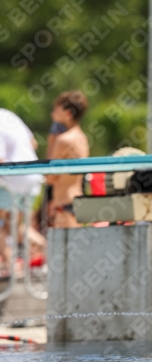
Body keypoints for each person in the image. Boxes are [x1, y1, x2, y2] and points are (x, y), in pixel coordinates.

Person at [0, 108, 44, 275]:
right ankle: (50, 252)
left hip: (14, 180)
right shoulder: (7, 115)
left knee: (6, 227)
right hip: (32, 178)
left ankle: (13, 269)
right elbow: (34, 143)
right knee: (14, 226)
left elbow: (1, 160)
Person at [46, 91, 89, 228]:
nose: (52, 115)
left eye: (56, 111)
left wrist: (51, 142)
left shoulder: (63, 140)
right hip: (77, 201)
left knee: (63, 249)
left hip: (64, 203)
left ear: (68, 113)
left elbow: (49, 176)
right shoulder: (82, 137)